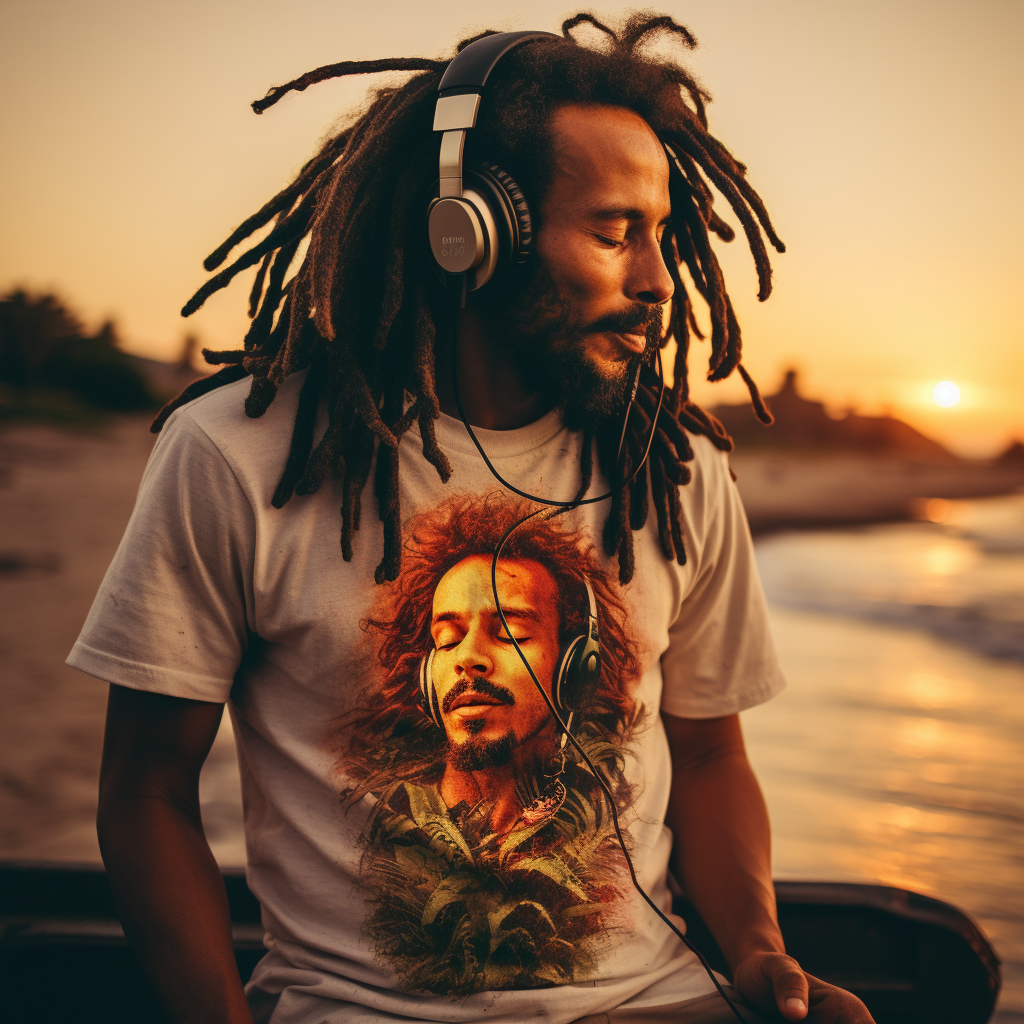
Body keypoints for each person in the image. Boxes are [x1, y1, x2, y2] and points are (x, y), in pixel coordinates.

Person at [70, 13, 875, 1024]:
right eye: (616, 231)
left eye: (661, 236)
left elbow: (711, 755)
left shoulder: (671, 468)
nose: (658, 281)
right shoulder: (237, 456)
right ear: (469, 234)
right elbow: (146, 790)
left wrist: (759, 953)